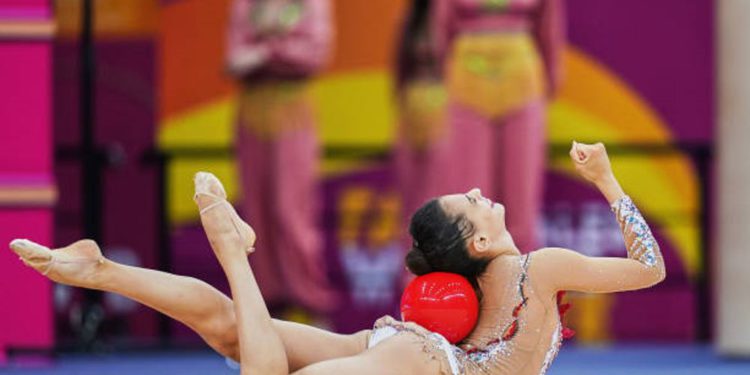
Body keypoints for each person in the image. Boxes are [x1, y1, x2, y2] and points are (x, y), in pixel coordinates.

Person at [11, 142, 665, 374]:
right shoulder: (541, 267)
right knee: (257, 361)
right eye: (471, 201)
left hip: (406, 348)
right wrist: (606, 181)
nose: (479, 191)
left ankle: (103, 269)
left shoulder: (508, 270)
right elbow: (650, 265)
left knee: (234, 334)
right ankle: (234, 254)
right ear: (480, 243)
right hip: (424, 363)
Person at [226, 0, 337, 313]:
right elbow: (233, 59)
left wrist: (264, 53)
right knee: (256, 211)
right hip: (252, 113)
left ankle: (312, 304)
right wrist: (283, 49)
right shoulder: (246, 4)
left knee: (292, 210)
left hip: (293, 112)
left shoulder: (312, 3)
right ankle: (264, 307)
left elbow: (314, 56)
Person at [433, 0, 566, 252]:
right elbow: (440, 29)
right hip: (466, 86)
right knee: (470, 204)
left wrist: (552, 73)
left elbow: (549, 25)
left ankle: (521, 286)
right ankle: (472, 287)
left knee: (522, 203)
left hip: (521, 84)